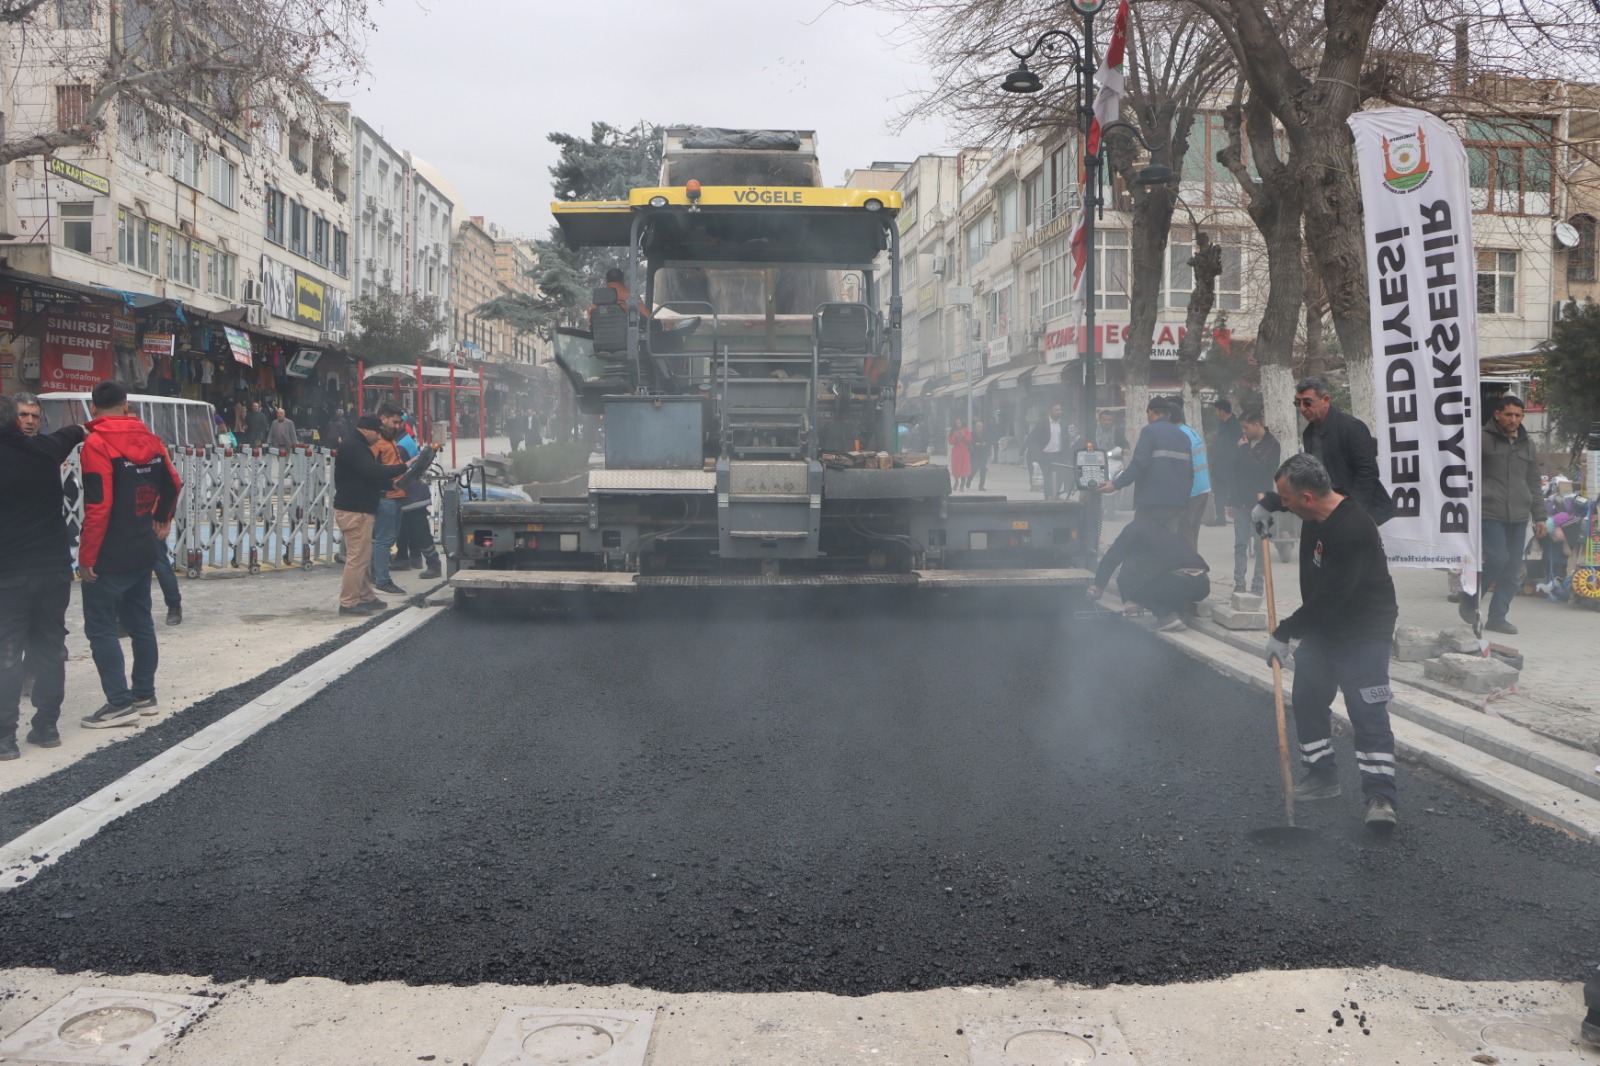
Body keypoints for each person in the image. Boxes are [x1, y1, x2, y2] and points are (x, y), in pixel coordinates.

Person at [1262, 453, 1399, 832]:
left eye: (1286, 500)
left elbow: (1329, 600)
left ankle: (1381, 797)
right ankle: (1322, 777)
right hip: (1326, 627)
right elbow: (1291, 495)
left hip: (1364, 630)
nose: (1285, 505)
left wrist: (1283, 632)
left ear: (1306, 498)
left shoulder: (1352, 530)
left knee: (1367, 711)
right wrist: (1267, 505)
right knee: (1307, 695)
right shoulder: (1319, 505)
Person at [76, 380, 183, 729]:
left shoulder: (96, 443)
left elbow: (98, 506)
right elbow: (174, 482)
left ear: (93, 408)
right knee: (141, 623)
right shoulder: (151, 440)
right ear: (125, 405)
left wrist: (86, 556)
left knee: (101, 629)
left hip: (109, 552)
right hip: (142, 547)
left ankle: (119, 703)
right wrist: (161, 516)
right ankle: (144, 695)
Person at [0, 394, 89, 759]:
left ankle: (5, 738)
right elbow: (77, 430)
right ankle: (47, 727)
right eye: (24, 415)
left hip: (11, 574)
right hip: (53, 570)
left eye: (34, 415)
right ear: (14, 420)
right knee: (50, 648)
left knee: (8, 652)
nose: (30, 421)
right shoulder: (47, 449)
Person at [1462, 394, 1546, 634]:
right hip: (1489, 511)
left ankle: (1498, 618)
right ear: (1497, 415)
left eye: (1518, 415)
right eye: (1508, 414)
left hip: (1519, 515)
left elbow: (1533, 482)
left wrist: (1540, 516)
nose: (1513, 419)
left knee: (1512, 566)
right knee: (1498, 558)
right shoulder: (1480, 439)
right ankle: (1470, 599)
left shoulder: (1527, 443)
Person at [1290, 376, 1394, 524]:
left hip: (1363, 517)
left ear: (1326, 400)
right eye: (1297, 403)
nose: (1302, 408)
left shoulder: (1351, 427)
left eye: (1307, 402)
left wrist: (1352, 512)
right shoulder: (1308, 433)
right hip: (1329, 515)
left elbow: (1367, 472)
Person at [334, 414, 409, 615]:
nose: (378, 436)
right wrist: (404, 467)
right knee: (357, 560)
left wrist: (390, 485)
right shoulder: (354, 447)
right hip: (354, 511)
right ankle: (348, 603)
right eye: (376, 432)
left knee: (364, 559)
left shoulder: (360, 445)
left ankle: (366, 596)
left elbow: (368, 476)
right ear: (366, 429)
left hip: (361, 509)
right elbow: (373, 471)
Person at [1087, 513, 1211, 632]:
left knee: (1126, 579)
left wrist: (1099, 585)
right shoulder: (1163, 532)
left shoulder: (1133, 528)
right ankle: (1184, 610)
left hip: (1177, 582)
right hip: (1202, 585)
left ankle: (1166, 616)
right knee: (1167, 580)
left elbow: (1113, 556)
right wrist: (1144, 603)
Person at [1099, 398, 1192, 536]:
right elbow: (1190, 473)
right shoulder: (1184, 436)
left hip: (1153, 502)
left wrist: (1115, 484)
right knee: (1168, 542)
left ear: (1150, 412)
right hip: (1177, 503)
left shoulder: (1149, 431)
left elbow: (1138, 464)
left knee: (1143, 542)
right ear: (1168, 415)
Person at [1228, 409, 1280, 595]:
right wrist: (1230, 500)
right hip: (1240, 500)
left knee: (1260, 545)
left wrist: (1244, 450)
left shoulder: (1271, 444)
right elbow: (1235, 470)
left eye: (1246, 427)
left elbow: (1260, 468)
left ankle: (1257, 584)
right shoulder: (1244, 443)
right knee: (1240, 544)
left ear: (1257, 424)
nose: (1244, 431)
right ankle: (1239, 582)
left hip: (1261, 502)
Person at [371, 402, 411, 595]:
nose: (397, 426)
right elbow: (374, 471)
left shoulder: (390, 440)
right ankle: (382, 579)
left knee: (387, 539)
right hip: (386, 497)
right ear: (383, 419)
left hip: (396, 495)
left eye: (399, 422)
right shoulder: (378, 443)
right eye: (394, 422)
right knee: (383, 540)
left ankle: (376, 574)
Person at [1167, 401, 1212, 551]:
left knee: (1184, 531)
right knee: (1192, 532)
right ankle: (1193, 561)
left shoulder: (1179, 436)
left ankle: (1190, 563)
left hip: (1191, 492)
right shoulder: (1189, 431)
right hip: (1203, 489)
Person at [1208, 398, 1243, 525]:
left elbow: (1238, 444)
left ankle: (1239, 518)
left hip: (1231, 465)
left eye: (1217, 410)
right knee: (1219, 492)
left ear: (1222, 411)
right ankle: (1221, 518)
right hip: (1220, 465)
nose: (1216, 413)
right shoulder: (1222, 423)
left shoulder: (1235, 425)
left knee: (1233, 492)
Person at [1027, 402, 1068, 498]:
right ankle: (1048, 496)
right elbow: (1033, 439)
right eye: (1056, 410)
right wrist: (1037, 454)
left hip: (1058, 454)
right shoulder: (1042, 423)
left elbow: (1066, 441)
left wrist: (1067, 456)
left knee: (1060, 476)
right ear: (1050, 411)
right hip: (1045, 455)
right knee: (1048, 477)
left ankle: (1055, 494)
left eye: (1059, 410)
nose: (1059, 412)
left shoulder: (1063, 424)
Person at [947, 419, 973, 491]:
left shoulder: (966, 430)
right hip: (956, 452)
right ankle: (956, 481)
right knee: (956, 467)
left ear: (962, 423)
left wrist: (964, 435)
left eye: (959, 422)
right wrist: (956, 436)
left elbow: (970, 439)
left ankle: (962, 485)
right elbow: (950, 441)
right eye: (957, 423)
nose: (958, 424)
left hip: (965, 452)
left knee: (964, 468)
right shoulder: (953, 431)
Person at [970, 420, 992, 491]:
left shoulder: (985, 434)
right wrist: (975, 444)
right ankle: (969, 479)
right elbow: (970, 443)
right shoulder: (972, 434)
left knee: (983, 469)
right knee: (974, 469)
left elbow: (989, 442)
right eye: (978, 427)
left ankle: (981, 485)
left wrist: (985, 444)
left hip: (983, 453)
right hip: (975, 454)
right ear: (975, 427)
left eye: (981, 427)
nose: (980, 428)